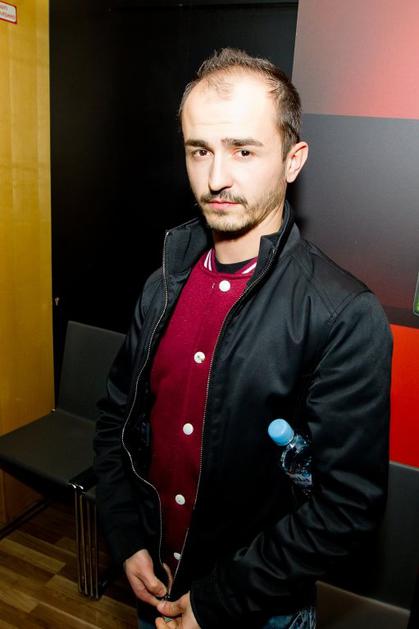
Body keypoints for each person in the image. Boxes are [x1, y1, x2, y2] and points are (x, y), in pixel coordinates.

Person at [94, 48, 392, 629]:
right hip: (155, 583)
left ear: (292, 160)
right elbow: (114, 421)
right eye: (199, 150)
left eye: (244, 150)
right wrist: (127, 537)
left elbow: (347, 506)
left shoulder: (341, 314)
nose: (216, 178)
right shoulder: (161, 286)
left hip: (258, 610)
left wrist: (216, 602)